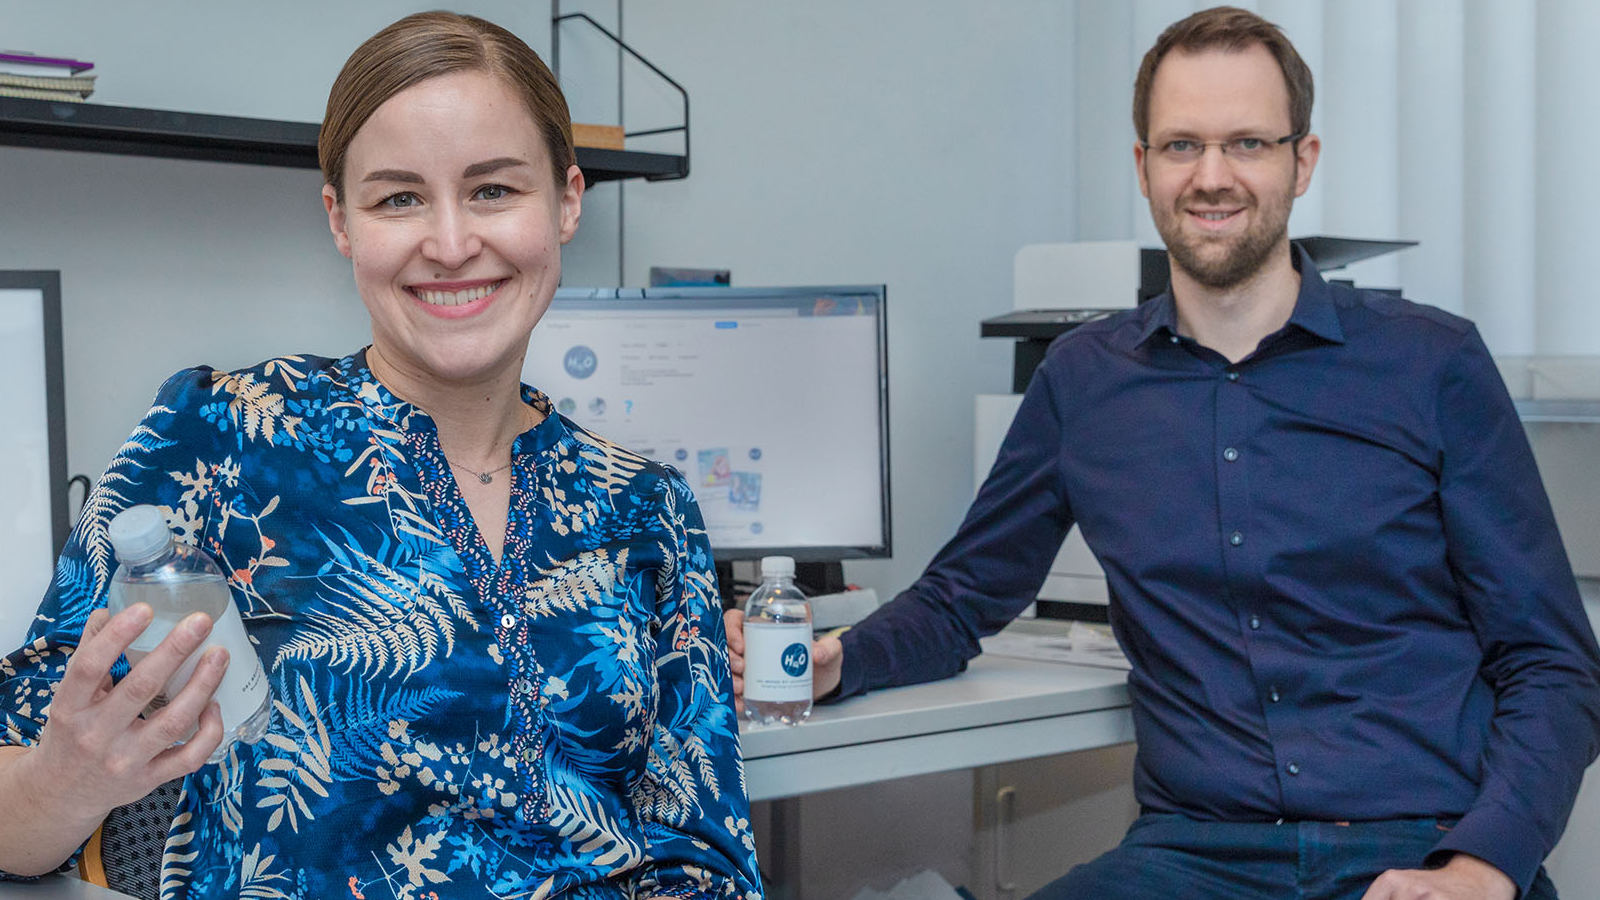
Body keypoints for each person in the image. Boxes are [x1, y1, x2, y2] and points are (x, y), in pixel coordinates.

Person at [727, 7, 1600, 900]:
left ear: (1303, 161)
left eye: (1248, 143)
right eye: (1182, 146)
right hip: (1193, 859)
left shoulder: (1433, 364)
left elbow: (1552, 662)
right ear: (1143, 167)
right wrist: (839, 657)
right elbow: (962, 600)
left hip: (1423, 847)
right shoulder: (1083, 380)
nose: (1212, 177)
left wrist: (1484, 866)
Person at [0, 12, 762, 899]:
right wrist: (72, 777)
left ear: (566, 200)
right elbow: (19, 826)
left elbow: (705, 858)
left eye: (492, 191)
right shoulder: (217, 435)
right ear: (341, 220)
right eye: (399, 197)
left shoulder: (648, 507)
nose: (448, 243)